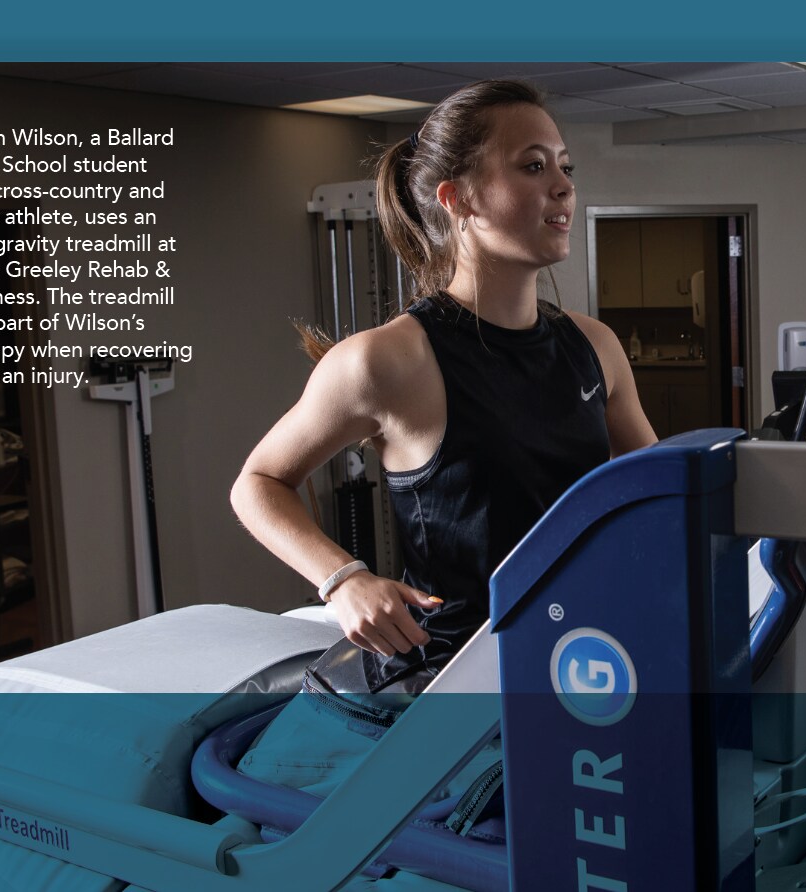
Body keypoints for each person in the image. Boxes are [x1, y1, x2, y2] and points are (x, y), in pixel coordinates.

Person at [231, 80, 657, 693]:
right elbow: (258, 483)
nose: (563, 186)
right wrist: (343, 579)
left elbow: (654, 492)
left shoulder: (595, 347)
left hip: (578, 657)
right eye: (533, 167)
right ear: (458, 199)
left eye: (565, 167)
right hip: (450, 680)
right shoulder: (387, 361)